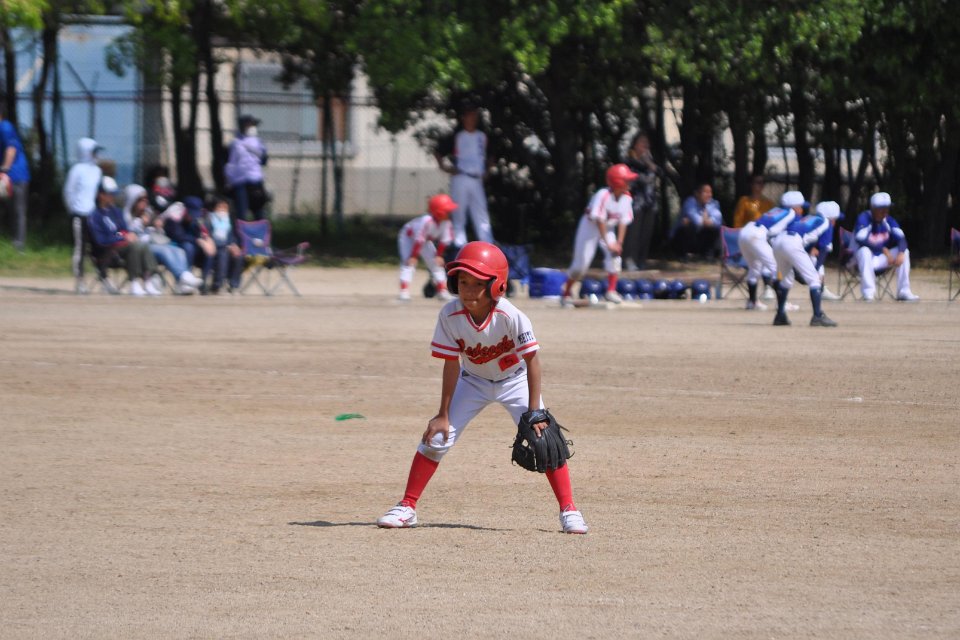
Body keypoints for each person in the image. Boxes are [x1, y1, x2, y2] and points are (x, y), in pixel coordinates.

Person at [376, 242, 588, 534]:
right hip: (472, 381)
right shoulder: (449, 315)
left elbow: (532, 361)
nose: (469, 290)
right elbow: (451, 364)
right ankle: (407, 507)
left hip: (515, 380)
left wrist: (535, 411)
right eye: (463, 282)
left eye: (478, 284)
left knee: (546, 439)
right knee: (437, 438)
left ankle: (569, 510)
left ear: (497, 286)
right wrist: (442, 414)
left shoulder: (510, 316)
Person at [560, 163, 638, 305]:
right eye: (626, 180)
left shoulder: (627, 197)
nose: (629, 183)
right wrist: (608, 243)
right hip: (590, 226)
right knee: (581, 265)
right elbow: (599, 220)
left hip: (608, 227)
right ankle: (566, 292)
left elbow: (623, 221)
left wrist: (619, 243)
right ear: (618, 182)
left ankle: (611, 291)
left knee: (615, 256)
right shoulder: (603, 195)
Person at [769, 201, 843, 327]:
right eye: (835, 219)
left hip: (779, 241)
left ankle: (780, 315)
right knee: (815, 280)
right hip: (792, 242)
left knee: (786, 281)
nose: (835, 222)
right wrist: (816, 269)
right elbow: (824, 249)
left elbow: (806, 244)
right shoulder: (827, 223)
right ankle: (817, 316)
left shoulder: (808, 218)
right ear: (831, 217)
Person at [87, 177, 163, 296]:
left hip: (121, 247)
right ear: (101, 195)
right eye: (110, 194)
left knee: (142, 245)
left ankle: (148, 280)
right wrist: (121, 237)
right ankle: (134, 281)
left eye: (113, 194)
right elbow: (100, 240)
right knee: (135, 247)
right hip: (107, 252)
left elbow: (123, 230)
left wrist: (128, 235)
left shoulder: (116, 212)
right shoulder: (94, 216)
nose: (113, 197)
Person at [123, 184, 203, 294]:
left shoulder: (148, 213)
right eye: (141, 199)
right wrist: (130, 232)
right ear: (133, 200)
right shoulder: (125, 216)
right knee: (165, 250)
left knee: (178, 250)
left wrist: (153, 223)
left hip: (152, 242)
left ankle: (183, 281)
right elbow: (121, 232)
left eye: (146, 198)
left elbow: (156, 228)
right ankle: (182, 276)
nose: (145, 201)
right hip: (140, 247)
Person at [435, 103, 493, 248]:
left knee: (481, 212)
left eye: (475, 116)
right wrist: (444, 167)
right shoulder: (457, 136)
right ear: (463, 118)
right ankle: (459, 245)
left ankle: (487, 244)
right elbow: (438, 150)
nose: (472, 119)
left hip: (477, 178)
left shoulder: (482, 136)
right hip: (461, 176)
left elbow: (491, 155)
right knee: (459, 213)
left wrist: (488, 170)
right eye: (470, 116)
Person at [739, 190, 805, 310]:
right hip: (757, 235)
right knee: (777, 268)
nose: (801, 210)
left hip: (745, 232)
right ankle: (782, 304)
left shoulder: (777, 210)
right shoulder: (792, 214)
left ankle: (752, 302)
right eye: (800, 206)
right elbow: (775, 234)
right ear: (794, 206)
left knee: (754, 268)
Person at [852, 192, 919, 301]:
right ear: (873, 208)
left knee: (905, 252)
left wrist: (901, 252)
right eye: (881, 208)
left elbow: (901, 238)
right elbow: (860, 239)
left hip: (882, 258)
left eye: (887, 208)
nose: (885, 211)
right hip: (863, 260)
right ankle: (868, 293)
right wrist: (883, 249)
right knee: (864, 251)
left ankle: (904, 291)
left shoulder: (889, 220)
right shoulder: (864, 218)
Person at [397, 193, 457, 301]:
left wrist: (439, 255)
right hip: (408, 238)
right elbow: (418, 239)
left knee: (436, 264)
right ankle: (404, 291)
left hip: (423, 241)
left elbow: (444, 241)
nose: (450, 213)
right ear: (439, 212)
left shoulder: (446, 223)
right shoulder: (426, 221)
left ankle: (442, 291)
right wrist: (413, 256)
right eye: (447, 211)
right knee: (408, 262)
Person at [63, 137, 104, 293]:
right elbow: (68, 191)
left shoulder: (97, 171)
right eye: (94, 152)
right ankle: (80, 280)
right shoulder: (77, 170)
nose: (97, 155)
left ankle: (103, 276)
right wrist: (73, 209)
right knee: (80, 247)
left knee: (99, 246)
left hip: (94, 215)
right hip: (79, 214)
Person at [623, 132, 662, 270]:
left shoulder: (649, 161)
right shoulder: (629, 159)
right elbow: (634, 178)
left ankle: (641, 260)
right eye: (642, 142)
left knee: (646, 233)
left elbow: (660, 173)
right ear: (635, 145)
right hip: (635, 202)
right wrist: (647, 170)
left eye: (647, 142)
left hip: (650, 201)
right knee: (633, 233)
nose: (645, 145)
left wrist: (649, 164)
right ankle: (629, 260)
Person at [163, 197, 216, 293]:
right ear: (185, 209)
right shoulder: (174, 217)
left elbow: (204, 234)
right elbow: (179, 236)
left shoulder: (200, 219)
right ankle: (185, 280)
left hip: (194, 247)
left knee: (208, 251)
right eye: (191, 213)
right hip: (175, 248)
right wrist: (199, 241)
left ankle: (203, 283)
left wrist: (208, 241)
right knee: (188, 247)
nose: (193, 216)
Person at [224, 114, 269, 220]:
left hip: (256, 181)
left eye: (253, 125)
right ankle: (241, 230)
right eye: (250, 125)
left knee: (259, 211)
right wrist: (229, 179)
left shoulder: (258, 142)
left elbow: (264, 160)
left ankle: (260, 229)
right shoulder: (235, 143)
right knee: (241, 213)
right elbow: (231, 163)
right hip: (240, 182)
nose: (252, 128)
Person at [0, 103, 31, 252]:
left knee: (18, 210)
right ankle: (13, 240)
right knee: (12, 210)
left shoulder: (5, 127)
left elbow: (11, 149)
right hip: (8, 176)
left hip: (16, 175)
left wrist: (4, 170)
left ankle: (19, 245)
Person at [204, 196, 244, 294]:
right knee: (223, 254)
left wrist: (234, 245)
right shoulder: (209, 219)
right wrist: (227, 246)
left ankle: (233, 285)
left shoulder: (229, 220)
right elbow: (207, 236)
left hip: (228, 246)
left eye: (225, 207)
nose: (222, 210)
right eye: (219, 207)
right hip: (214, 247)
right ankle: (217, 285)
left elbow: (234, 236)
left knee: (239, 256)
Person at [672, 183, 723, 260]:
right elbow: (696, 220)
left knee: (714, 229)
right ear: (697, 194)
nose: (709, 195)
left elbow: (718, 221)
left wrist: (709, 222)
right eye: (705, 192)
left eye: (710, 192)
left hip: (699, 236)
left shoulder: (714, 203)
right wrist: (706, 221)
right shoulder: (690, 202)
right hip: (682, 237)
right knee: (688, 226)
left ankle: (708, 255)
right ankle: (682, 254)